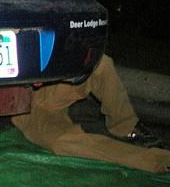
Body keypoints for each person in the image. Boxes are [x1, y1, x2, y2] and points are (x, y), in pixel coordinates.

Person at [12, 54, 170, 173]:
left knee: (99, 63)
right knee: (62, 142)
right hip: (21, 102)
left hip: (49, 82)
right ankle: (159, 160)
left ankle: (126, 126)